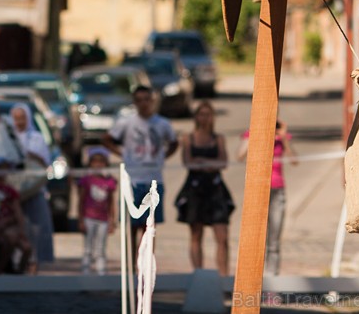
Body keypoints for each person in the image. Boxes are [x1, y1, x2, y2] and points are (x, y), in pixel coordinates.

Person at [103, 85, 178, 258]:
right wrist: (121, 153)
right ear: (134, 102)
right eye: (139, 100)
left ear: (152, 100)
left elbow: (174, 142)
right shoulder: (126, 122)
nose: (143, 104)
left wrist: (163, 157)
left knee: (149, 226)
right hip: (133, 178)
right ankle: (131, 263)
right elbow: (107, 139)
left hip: (154, 179)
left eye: (147, 99)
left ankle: (146, 262)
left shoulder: (162, 124)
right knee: (131, 225)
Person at [175, 101, 234, 275]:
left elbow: (223, 162)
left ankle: (224, 276)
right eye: (202, 114)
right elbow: (188, 162)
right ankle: (198, 273)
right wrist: (206, 164)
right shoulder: (188, 137)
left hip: (215, 189)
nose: (205, 118)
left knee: (222, 235)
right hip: (195, 189)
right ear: (196, 116)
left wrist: (203, 162)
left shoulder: (218, 138)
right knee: (196, 234)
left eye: (208, 114)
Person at [237, 119, 297, 275]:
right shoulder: (251, 134)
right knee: (255, 238)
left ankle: (272, 281)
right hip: (257, 190)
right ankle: (253, 276)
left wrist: (283, 137)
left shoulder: (282, 138)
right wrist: (254, 132)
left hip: (278, 190)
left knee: (274, 239)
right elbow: (240, 155)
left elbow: (295, 161)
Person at [10, 103, 54, 274]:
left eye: (22, 118)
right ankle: (16, 263)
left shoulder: (37, 138)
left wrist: (28, 154)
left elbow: (45, 163)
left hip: (34, 189)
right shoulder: (9, 137)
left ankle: (34, 263)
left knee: (36, 229)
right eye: (16, 118)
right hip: (14, 191)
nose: (19, 122)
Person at [0, 158, 31, 274]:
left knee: (24, 247)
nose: (4, 171)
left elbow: (18, 211)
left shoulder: (10, 191)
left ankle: (9, 272)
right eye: (1, 168)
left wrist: (21, 230)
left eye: (6, 168)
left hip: (8, 226)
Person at [77, 146, 117, 275]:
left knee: (101, 248)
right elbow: (81, 201)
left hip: (103, 219)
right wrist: (81, 219)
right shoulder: (86, 180)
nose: (98, 165)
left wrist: (113, 220)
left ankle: (101, 274)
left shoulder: (109, 182)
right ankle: (86, 275)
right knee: (88, 248)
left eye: (101, 162)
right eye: (95, 162)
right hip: (89, 217)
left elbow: (111, 202)